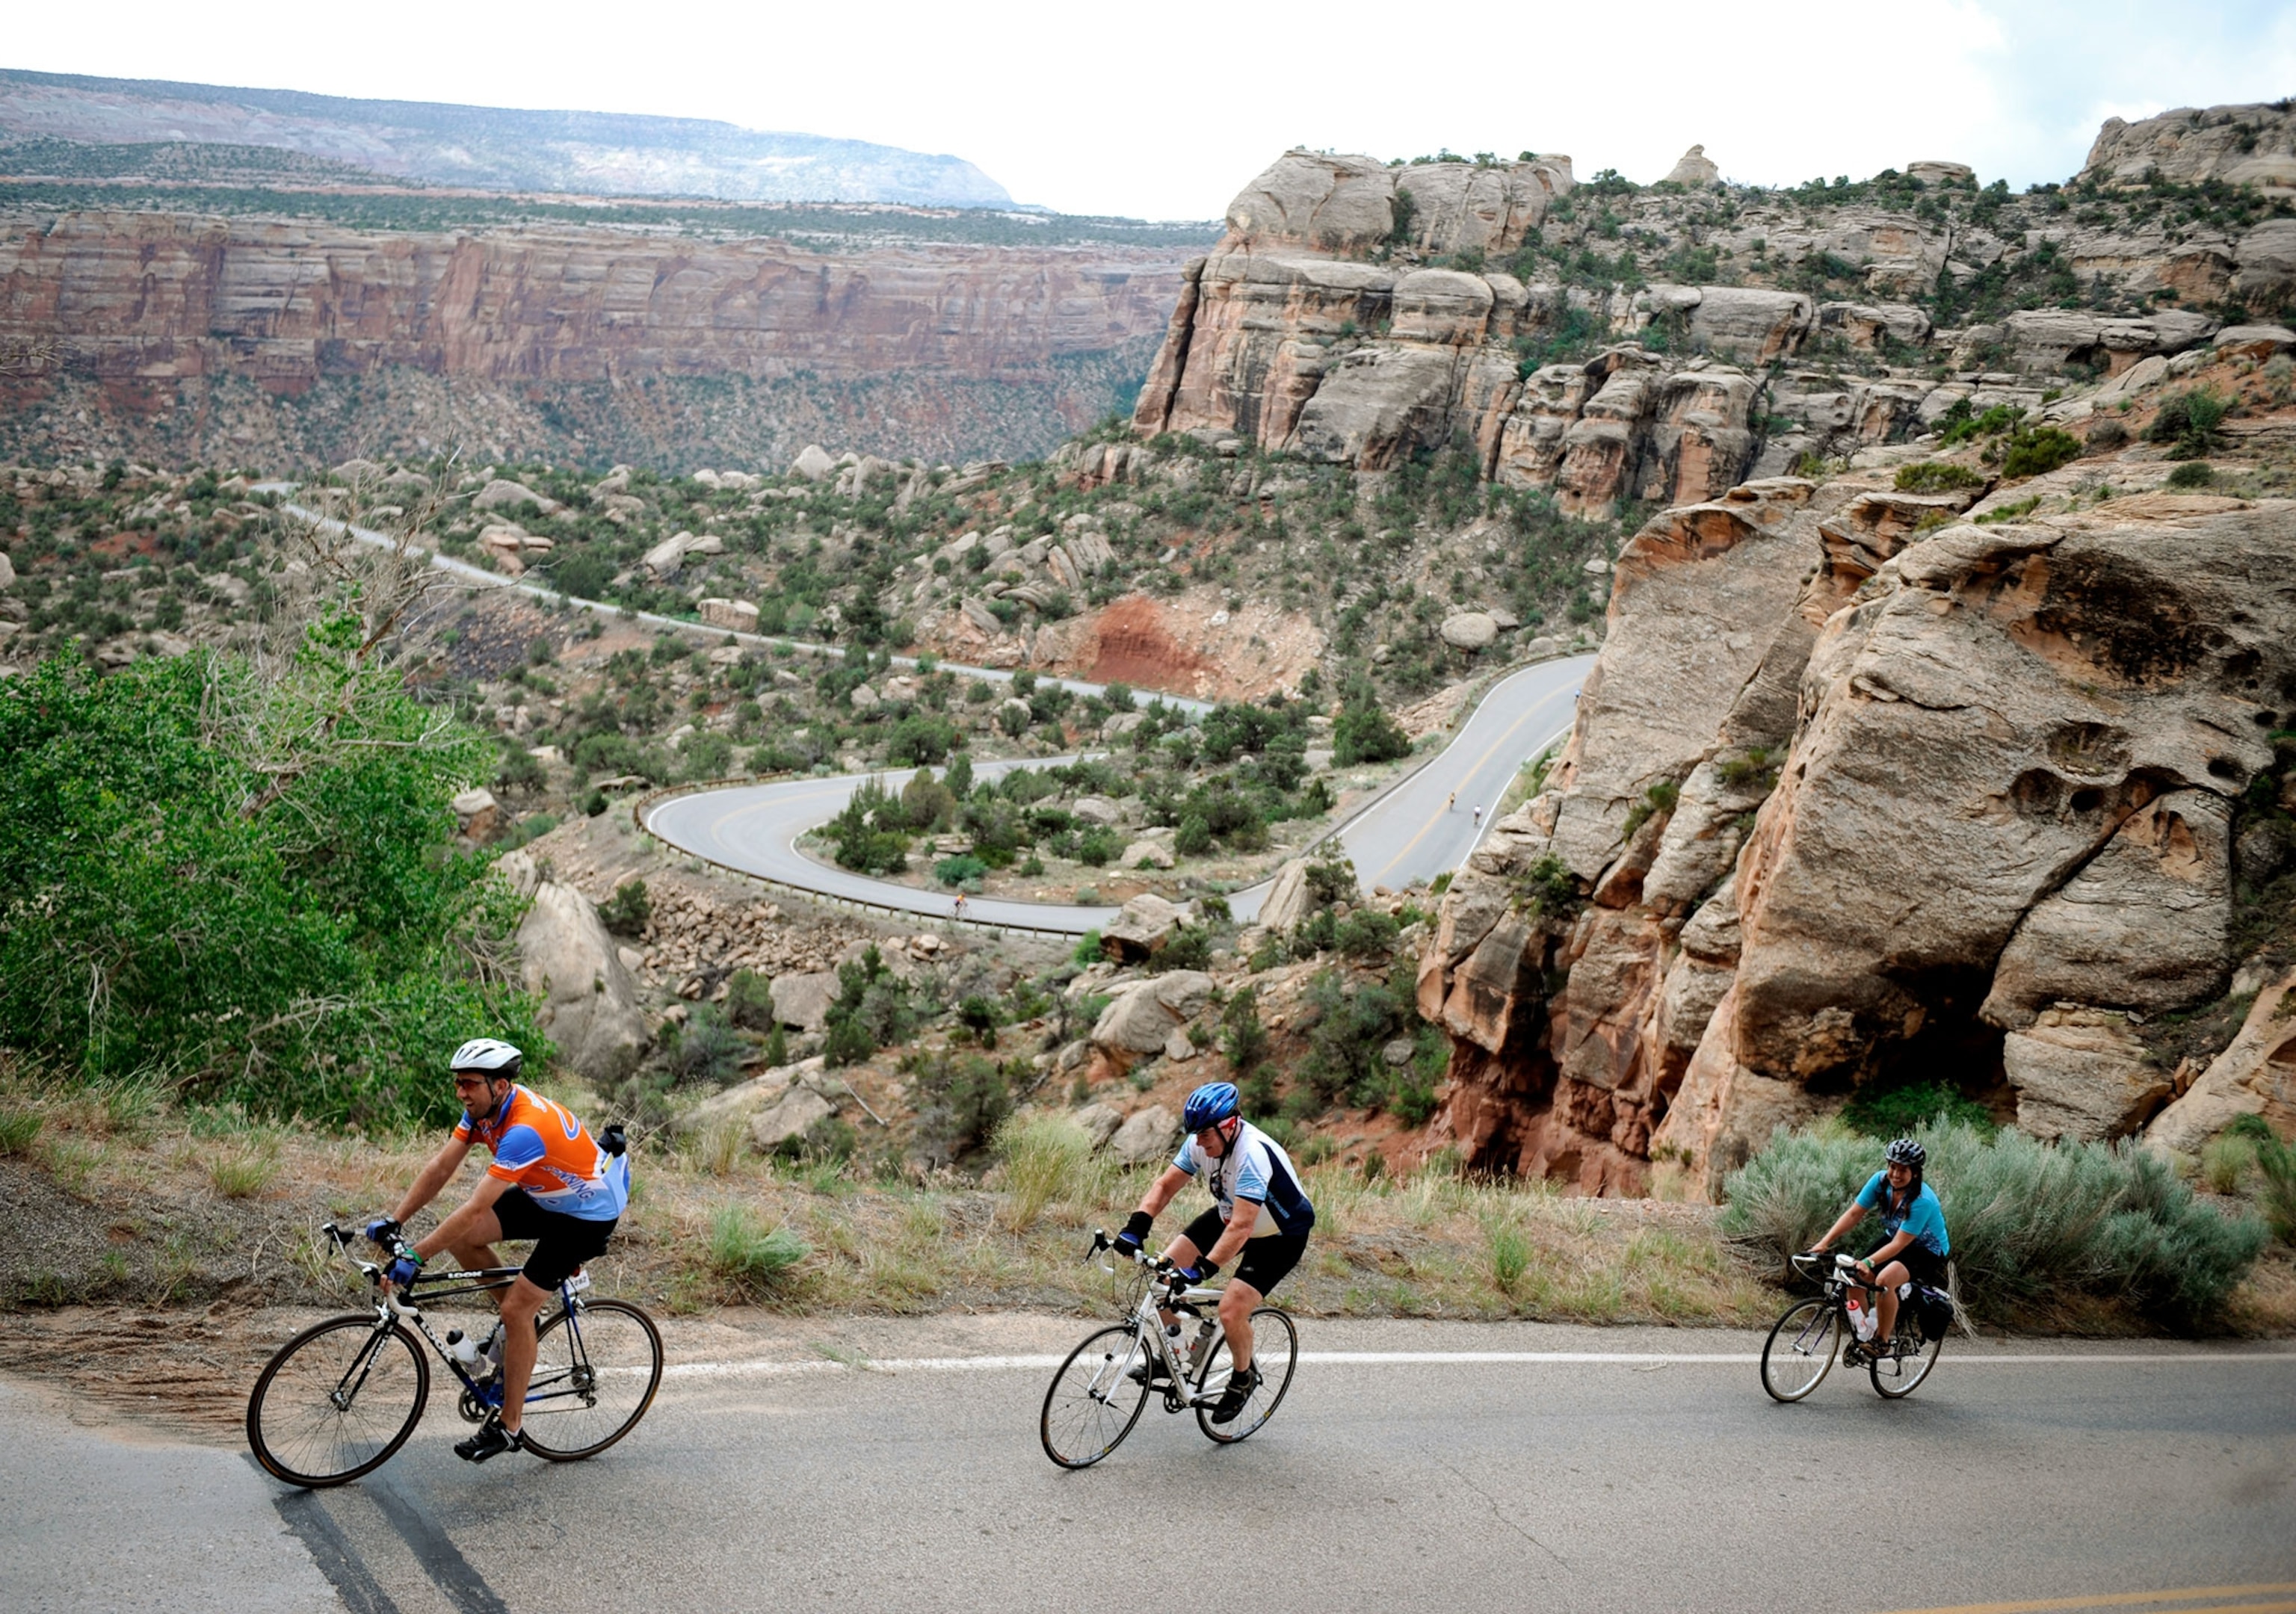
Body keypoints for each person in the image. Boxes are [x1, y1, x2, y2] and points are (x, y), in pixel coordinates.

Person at [366, 1038, 629, 1463]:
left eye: (469, 1083)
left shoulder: (524, 1129)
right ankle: (519, 1331)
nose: (461, 1092)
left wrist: (415, 1256)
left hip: (586, 1215)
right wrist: (396, 1220)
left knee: (515, 1310)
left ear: (501, 1085)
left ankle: (511, 1427)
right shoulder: (482, 1111)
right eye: (459, 1084)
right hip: (547, 1196)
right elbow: (441, 1168)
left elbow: (474, 1208)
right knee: (468, 1244)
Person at [1113, 1081, 1315, 1423]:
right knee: (1164, 1276)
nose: (1199, 1142)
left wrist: (1203, 1269)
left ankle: (1242, 1378)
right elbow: (1165, 1186)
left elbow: (1242, 1228)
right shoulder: (1200, 1142)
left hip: (1279, 1235)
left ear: (1230, 1125)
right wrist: (1137, 1225)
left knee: (1231, 1310)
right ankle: (1173, 1355)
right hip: (1228, 1214)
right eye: (1195, 1134)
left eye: (1205, 1134)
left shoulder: (1252, 1154)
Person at [1808, 1137, 1949, 1355]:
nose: (1895, 1174)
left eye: (1903, 1170)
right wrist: (1825, 1242)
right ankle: (1864, 1334)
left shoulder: (1922, 1201)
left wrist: (1869, 1261)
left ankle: (1881, 1341)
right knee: (1855, 1281)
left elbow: (1901, 1244)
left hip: (1926, 1250)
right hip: (1894, 1238)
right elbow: (1854, 1213)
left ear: (1915, 1173)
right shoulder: (1880, 1182)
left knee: (1885, 1281)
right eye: (1892, 1167)